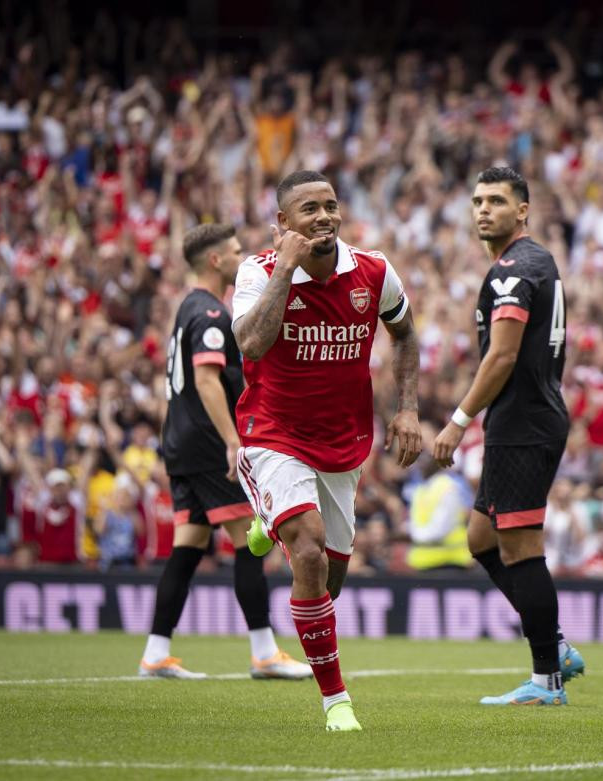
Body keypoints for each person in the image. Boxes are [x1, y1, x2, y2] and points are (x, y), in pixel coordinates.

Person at [233, 170, 422, 731]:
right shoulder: (259, 272)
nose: (323, 217)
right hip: (273, 434)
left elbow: (406, 333)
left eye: (330, 206)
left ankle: (271, 521)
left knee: (328, 582)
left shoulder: (374, 271)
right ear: (282, 225)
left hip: (342, 444)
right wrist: (287, 268)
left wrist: (407, 408)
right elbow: (250, 343)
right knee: (309, 552)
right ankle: (336, 701)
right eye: (308, 209)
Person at [432, 166, 583, 706]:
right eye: (476, 201)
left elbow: (503, 354)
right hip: (520, 420)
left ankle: (547, 679)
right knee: (481, 539)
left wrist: (457, 420)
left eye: (496, 200)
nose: (482, 209)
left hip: (523, 423)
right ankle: (556, 646)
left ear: (523, 209)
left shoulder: (515, 269)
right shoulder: (531, 261)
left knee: (520, 546)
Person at [139, 223, 311, 682]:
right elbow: (206, 380)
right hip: (209, 446)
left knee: (188, 548)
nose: (242, 257)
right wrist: (233, 441)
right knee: (249, 543)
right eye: (235, 252)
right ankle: (264, 652)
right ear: (215, 261)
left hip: (180, 445)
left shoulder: (186, 309)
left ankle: (156, 652)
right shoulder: (212, 314)